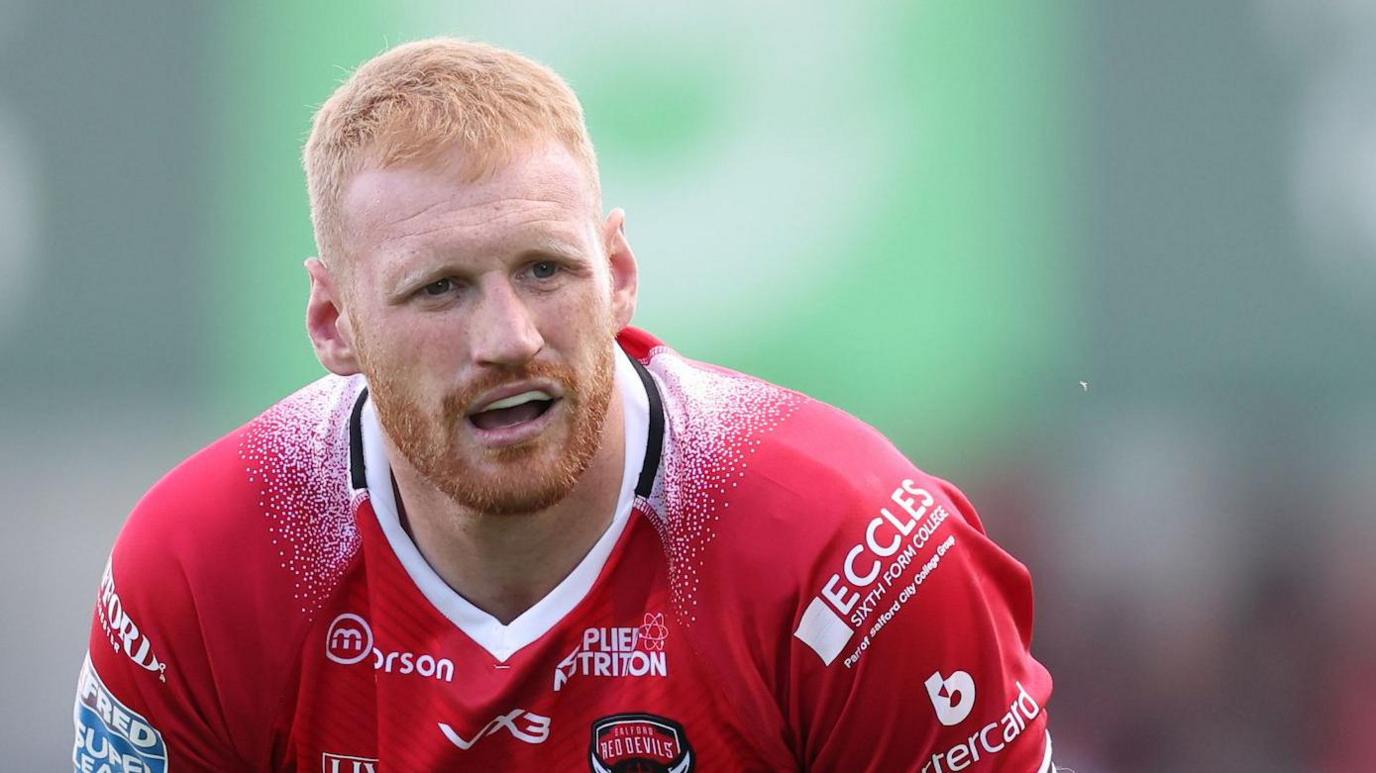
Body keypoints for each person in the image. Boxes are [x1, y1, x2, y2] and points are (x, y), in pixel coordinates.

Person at [72, 38, 1055, 772]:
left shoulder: (850, 557)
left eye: (545, 268)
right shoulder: (206, 568)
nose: (507, 335)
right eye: (438, 288)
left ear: (618, 273)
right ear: (333, 322)